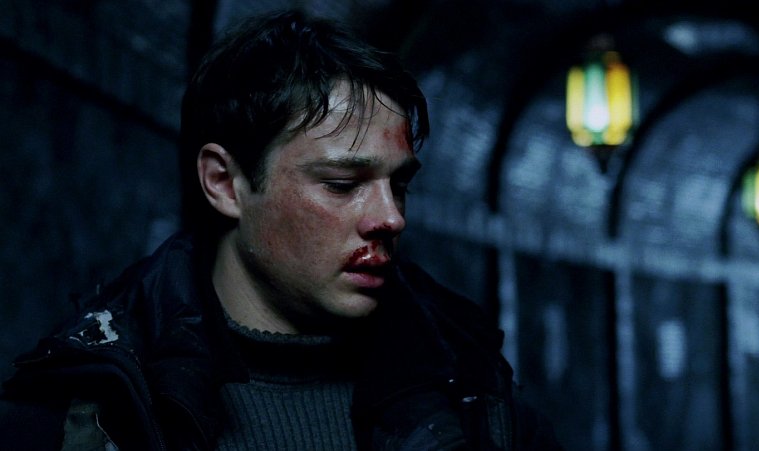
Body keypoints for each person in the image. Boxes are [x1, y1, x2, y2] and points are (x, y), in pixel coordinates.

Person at [0, 9, 561, 450]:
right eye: (342, 184)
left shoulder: (476, 394)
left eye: (400, 184)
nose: (391, 217)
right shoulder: (88, 407)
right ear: (225, 184)